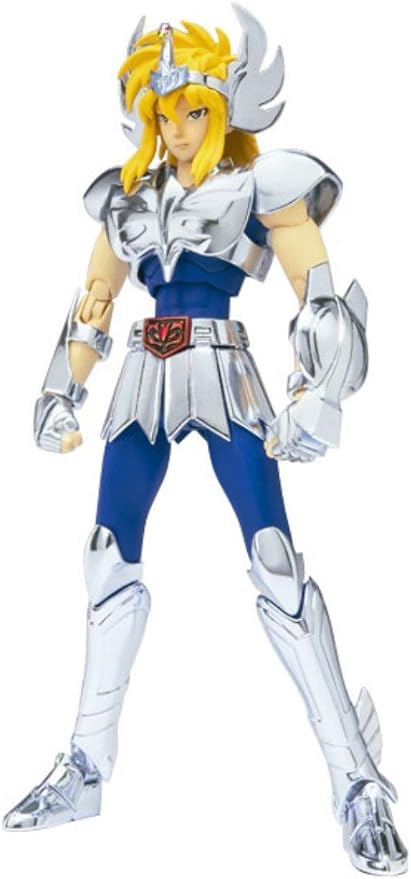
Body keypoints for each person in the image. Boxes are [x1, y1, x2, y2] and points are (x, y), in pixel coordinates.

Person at [3, 6, 407, 874]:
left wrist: (315, 395)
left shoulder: (261, 184)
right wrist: (60, 388)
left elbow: (319, 297)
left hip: (225, 371)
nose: (177, 128)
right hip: (142, 377)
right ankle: (86, 766)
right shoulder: (126, 196)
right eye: (162, 112)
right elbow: (95, 300)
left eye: (192, 110)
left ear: (222, 107)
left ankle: (356, 780)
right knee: (105, 555)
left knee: (274, 559)